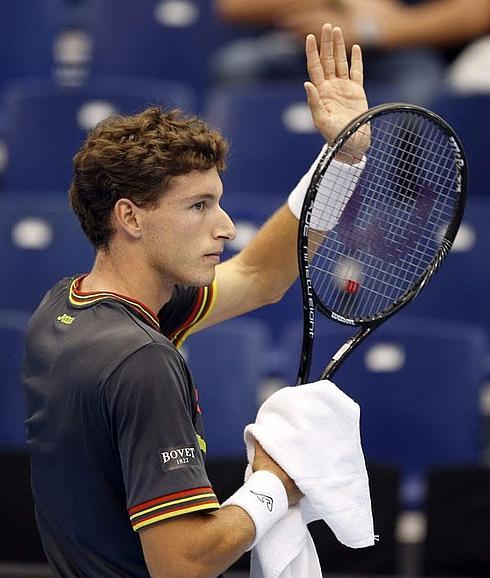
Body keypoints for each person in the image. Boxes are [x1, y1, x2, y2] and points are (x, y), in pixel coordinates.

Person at [23, 24, 368, 578]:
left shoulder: (65, 307)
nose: (226, 227)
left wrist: (343, 162)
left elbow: (261, 275)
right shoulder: (142, 361)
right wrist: (278, 483)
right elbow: (182, 564)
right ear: (130, 216)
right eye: (199, 207)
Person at [214, 0, 490, 105]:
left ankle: (394, 208)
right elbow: (235, 6)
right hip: (307, 41)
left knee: (419, 98)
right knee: (238, 65)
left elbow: (477, 12)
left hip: (404, 50)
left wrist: (373, 30)